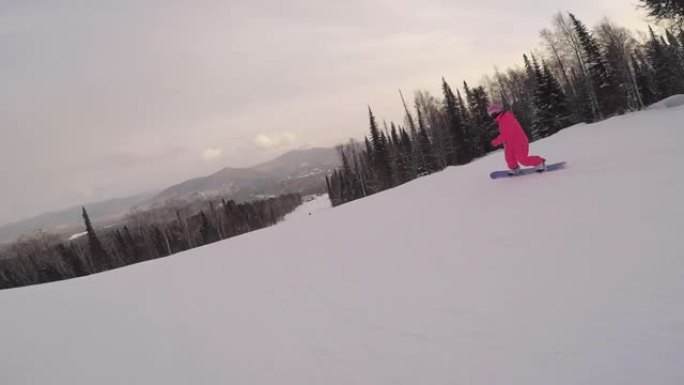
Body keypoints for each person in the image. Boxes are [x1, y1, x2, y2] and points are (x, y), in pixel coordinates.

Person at [487, 104, 546, 175]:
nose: (492, 116)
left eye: (492, 113)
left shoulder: (507, 117)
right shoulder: (501, 120)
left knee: (523, 160)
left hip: (519, 142)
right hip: (509, 143)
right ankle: (515, 168)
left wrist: (495, 142)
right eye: (490, 114)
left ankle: (539, 162)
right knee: (509, 158)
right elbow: (505, 134)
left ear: (497, 111)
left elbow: (506, 134)